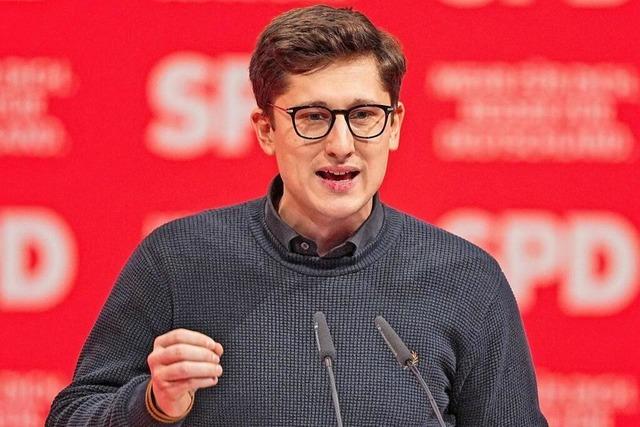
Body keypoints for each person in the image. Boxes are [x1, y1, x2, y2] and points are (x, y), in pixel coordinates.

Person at [47, 5, 547, 426]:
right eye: (312, 117)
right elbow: (71, 416)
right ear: (265, 130)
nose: (341, 145)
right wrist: (153, 404)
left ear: (394, 125)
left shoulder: (465, 279)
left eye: (364, 115)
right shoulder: (178, 260)